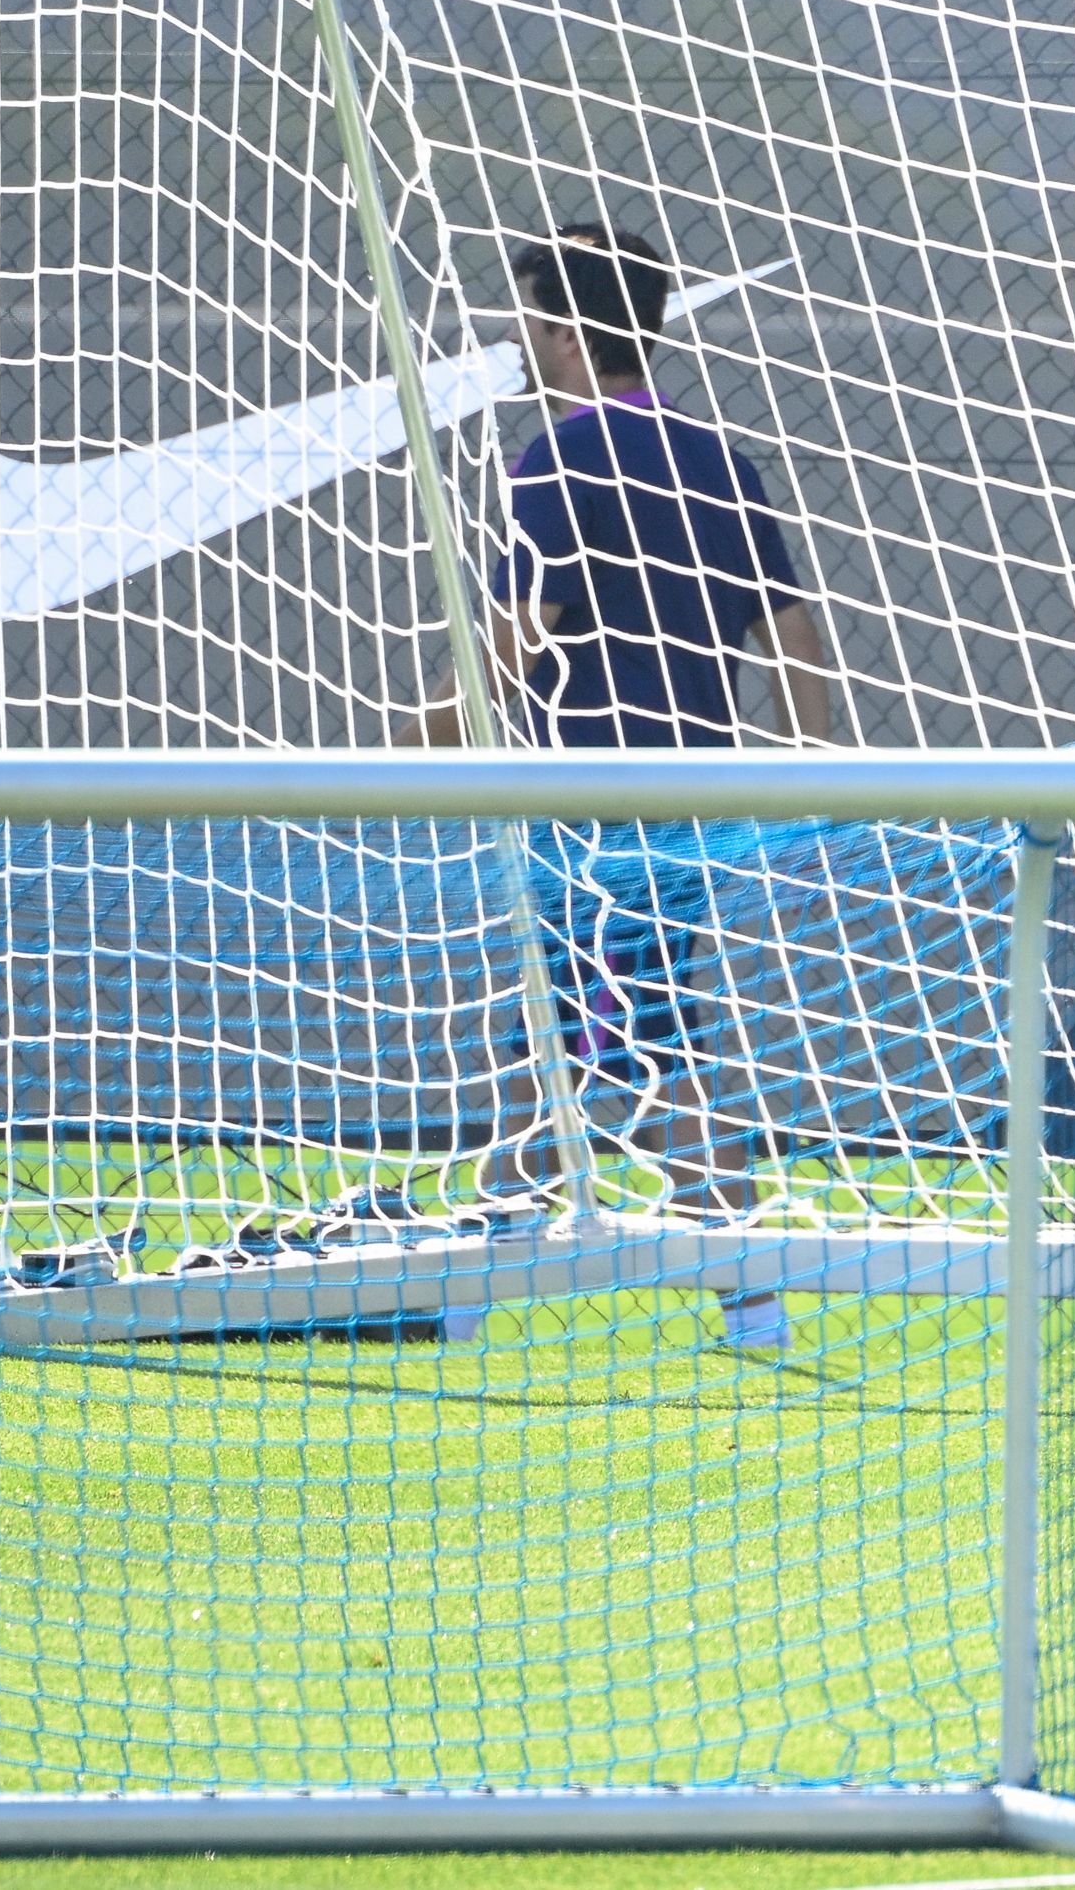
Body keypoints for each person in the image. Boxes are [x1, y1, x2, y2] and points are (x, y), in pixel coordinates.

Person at [408, 223, 836, 1348]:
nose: (516, 337)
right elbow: (795, 641)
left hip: (589, 812)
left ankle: (745, 1304)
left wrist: (433, 733)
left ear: (560, 332)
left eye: (528, 316)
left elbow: (519, 633)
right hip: (684, 806)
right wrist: (802, 774)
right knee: (570, 1038)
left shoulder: (557, 462)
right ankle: (484, 1280)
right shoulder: (717, 459)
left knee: (635, 1053)